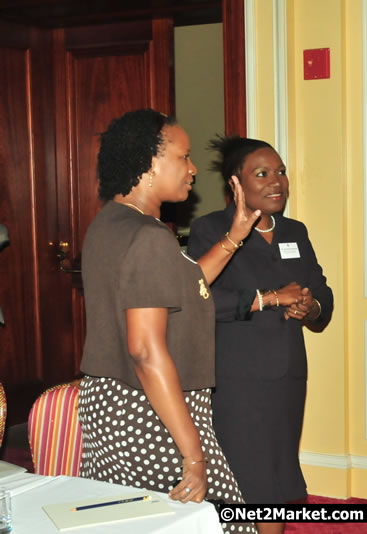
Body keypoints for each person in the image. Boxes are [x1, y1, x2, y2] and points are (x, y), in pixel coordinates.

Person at [79, 109, 260, 534]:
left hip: (109, 404)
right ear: (149, 164)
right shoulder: (148, 237)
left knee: (131, 524)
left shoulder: (109, 223)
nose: (193, 169)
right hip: (151, 413)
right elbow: (145, 351)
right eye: (183, 157)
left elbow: (185, 286)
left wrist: (235, 235)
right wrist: (193, 455)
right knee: (223, 523)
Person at [187, 136, 333, 534]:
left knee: (277, 475)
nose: (276, 182)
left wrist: (310, 306)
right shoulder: (211, 229)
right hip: (238, 379)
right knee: (250, 478)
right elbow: (200, 298)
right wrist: (268, 298)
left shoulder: (294, 231)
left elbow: (322, 292)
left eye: (281, 172)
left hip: (287, 377)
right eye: (262, 174)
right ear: (236, 183)